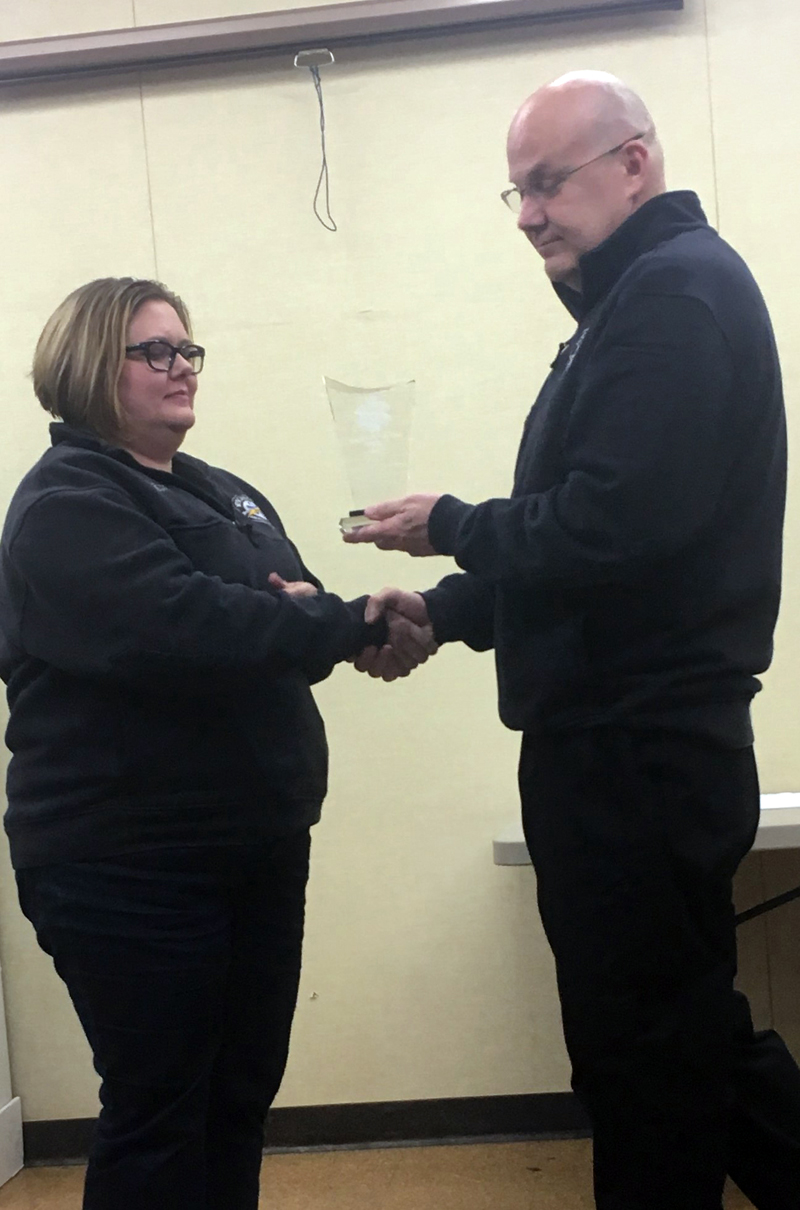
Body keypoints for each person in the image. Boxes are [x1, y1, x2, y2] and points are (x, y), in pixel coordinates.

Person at [345, 73, 800, 1209]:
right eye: (515, 192)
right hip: (630, 745)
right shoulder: (640, 300)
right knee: (669, 1038)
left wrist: (450, 527)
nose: (528, 214)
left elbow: (615, 525)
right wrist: (445, 611)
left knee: (646, 1058)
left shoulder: (671, 297)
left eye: (547, 182)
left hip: (630, 751)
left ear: (633, 163)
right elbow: (586, 560)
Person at [0, 276, 434, 1210]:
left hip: (254, 847)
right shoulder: (65, 506)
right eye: (155, 351)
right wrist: (303, 619)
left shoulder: (224, 493)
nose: (182, 368)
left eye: (189, 350)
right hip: (128, 865)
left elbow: (294, 608)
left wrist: (310, 619)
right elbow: (193, 628)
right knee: (161, 1109)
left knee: (237, 1098)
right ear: (87, 366)